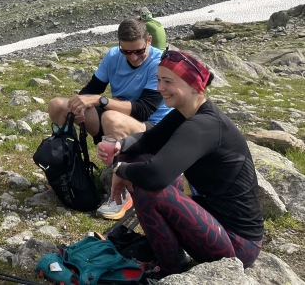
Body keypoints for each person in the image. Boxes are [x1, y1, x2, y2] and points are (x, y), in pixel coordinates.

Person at [102, 50, 263, 277]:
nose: (159, 88)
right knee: (138, 160)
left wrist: (120, 170)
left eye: (168, 81)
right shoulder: (184, 114)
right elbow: (149, 140)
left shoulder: (204, 124)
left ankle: (170, 271)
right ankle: (169, 255)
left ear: (195, 86)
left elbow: (156, 175)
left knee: (150, 190)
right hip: (214, 218)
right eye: (158, 80)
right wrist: (121, 148)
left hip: (238, 245)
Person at [47, 18, 172, 219]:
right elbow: (91, 90)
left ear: (149, 40)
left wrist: (101, 100)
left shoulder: (158, 62)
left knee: (112, 118)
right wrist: (81, 104)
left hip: (153, 130)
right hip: (116, 121)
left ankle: (124, 191)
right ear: (119, 45)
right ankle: (69, 173)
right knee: (59, 105)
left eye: (139, 51)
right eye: (126, 52)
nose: (133, 57)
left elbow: (143, 110)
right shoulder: (113, 56)